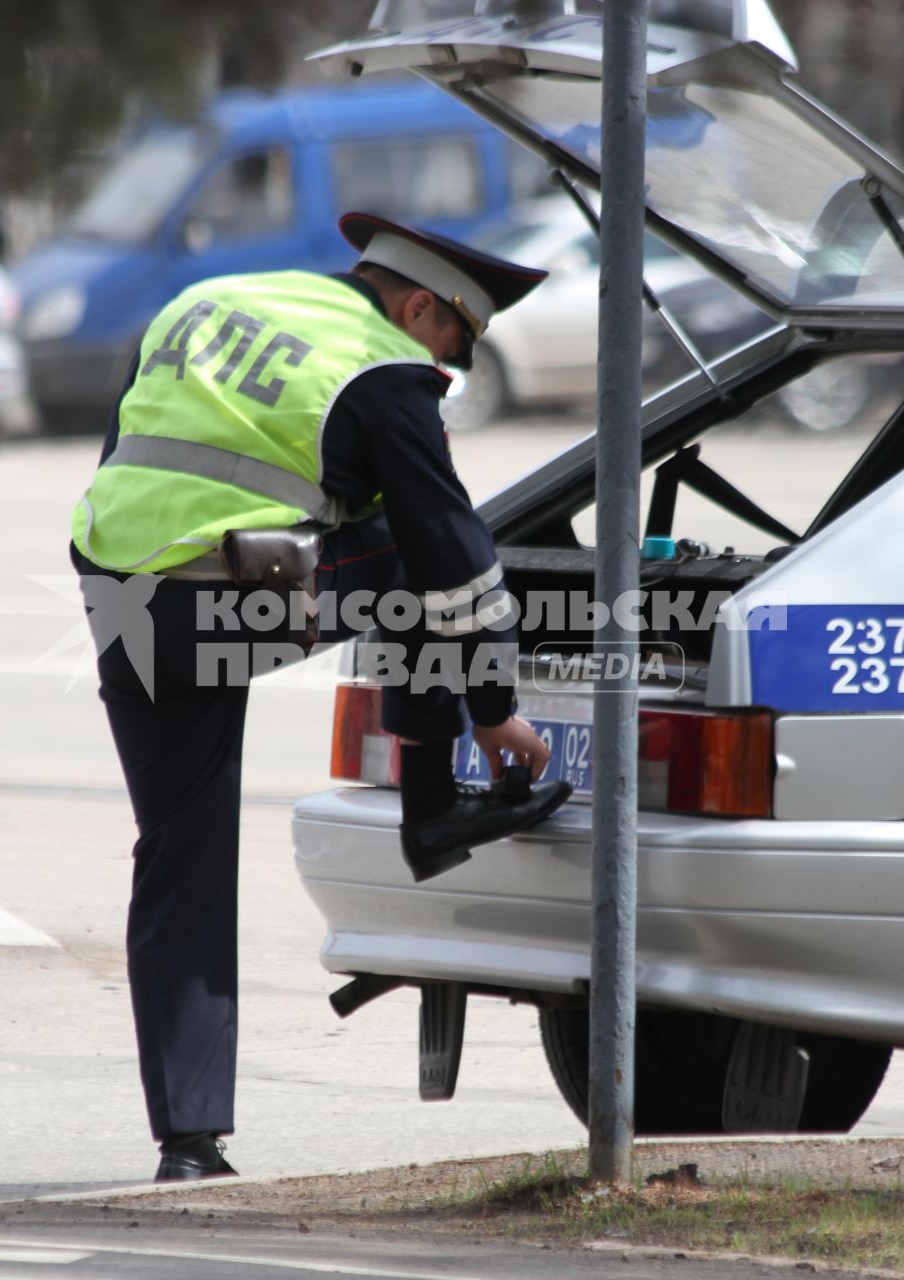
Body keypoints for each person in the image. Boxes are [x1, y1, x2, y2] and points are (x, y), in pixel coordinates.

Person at [69, 212, 573, 1182]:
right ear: (420, 305)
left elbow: (134, 446)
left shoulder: (206, 299)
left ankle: (189, 1139)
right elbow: (450, 552)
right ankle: (431, 807)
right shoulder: (383, 368)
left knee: (181, 850)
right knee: (436, 551)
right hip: (226, 596)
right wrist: (491, 708)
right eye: (454, 350)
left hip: (116, 585)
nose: (448, 376)